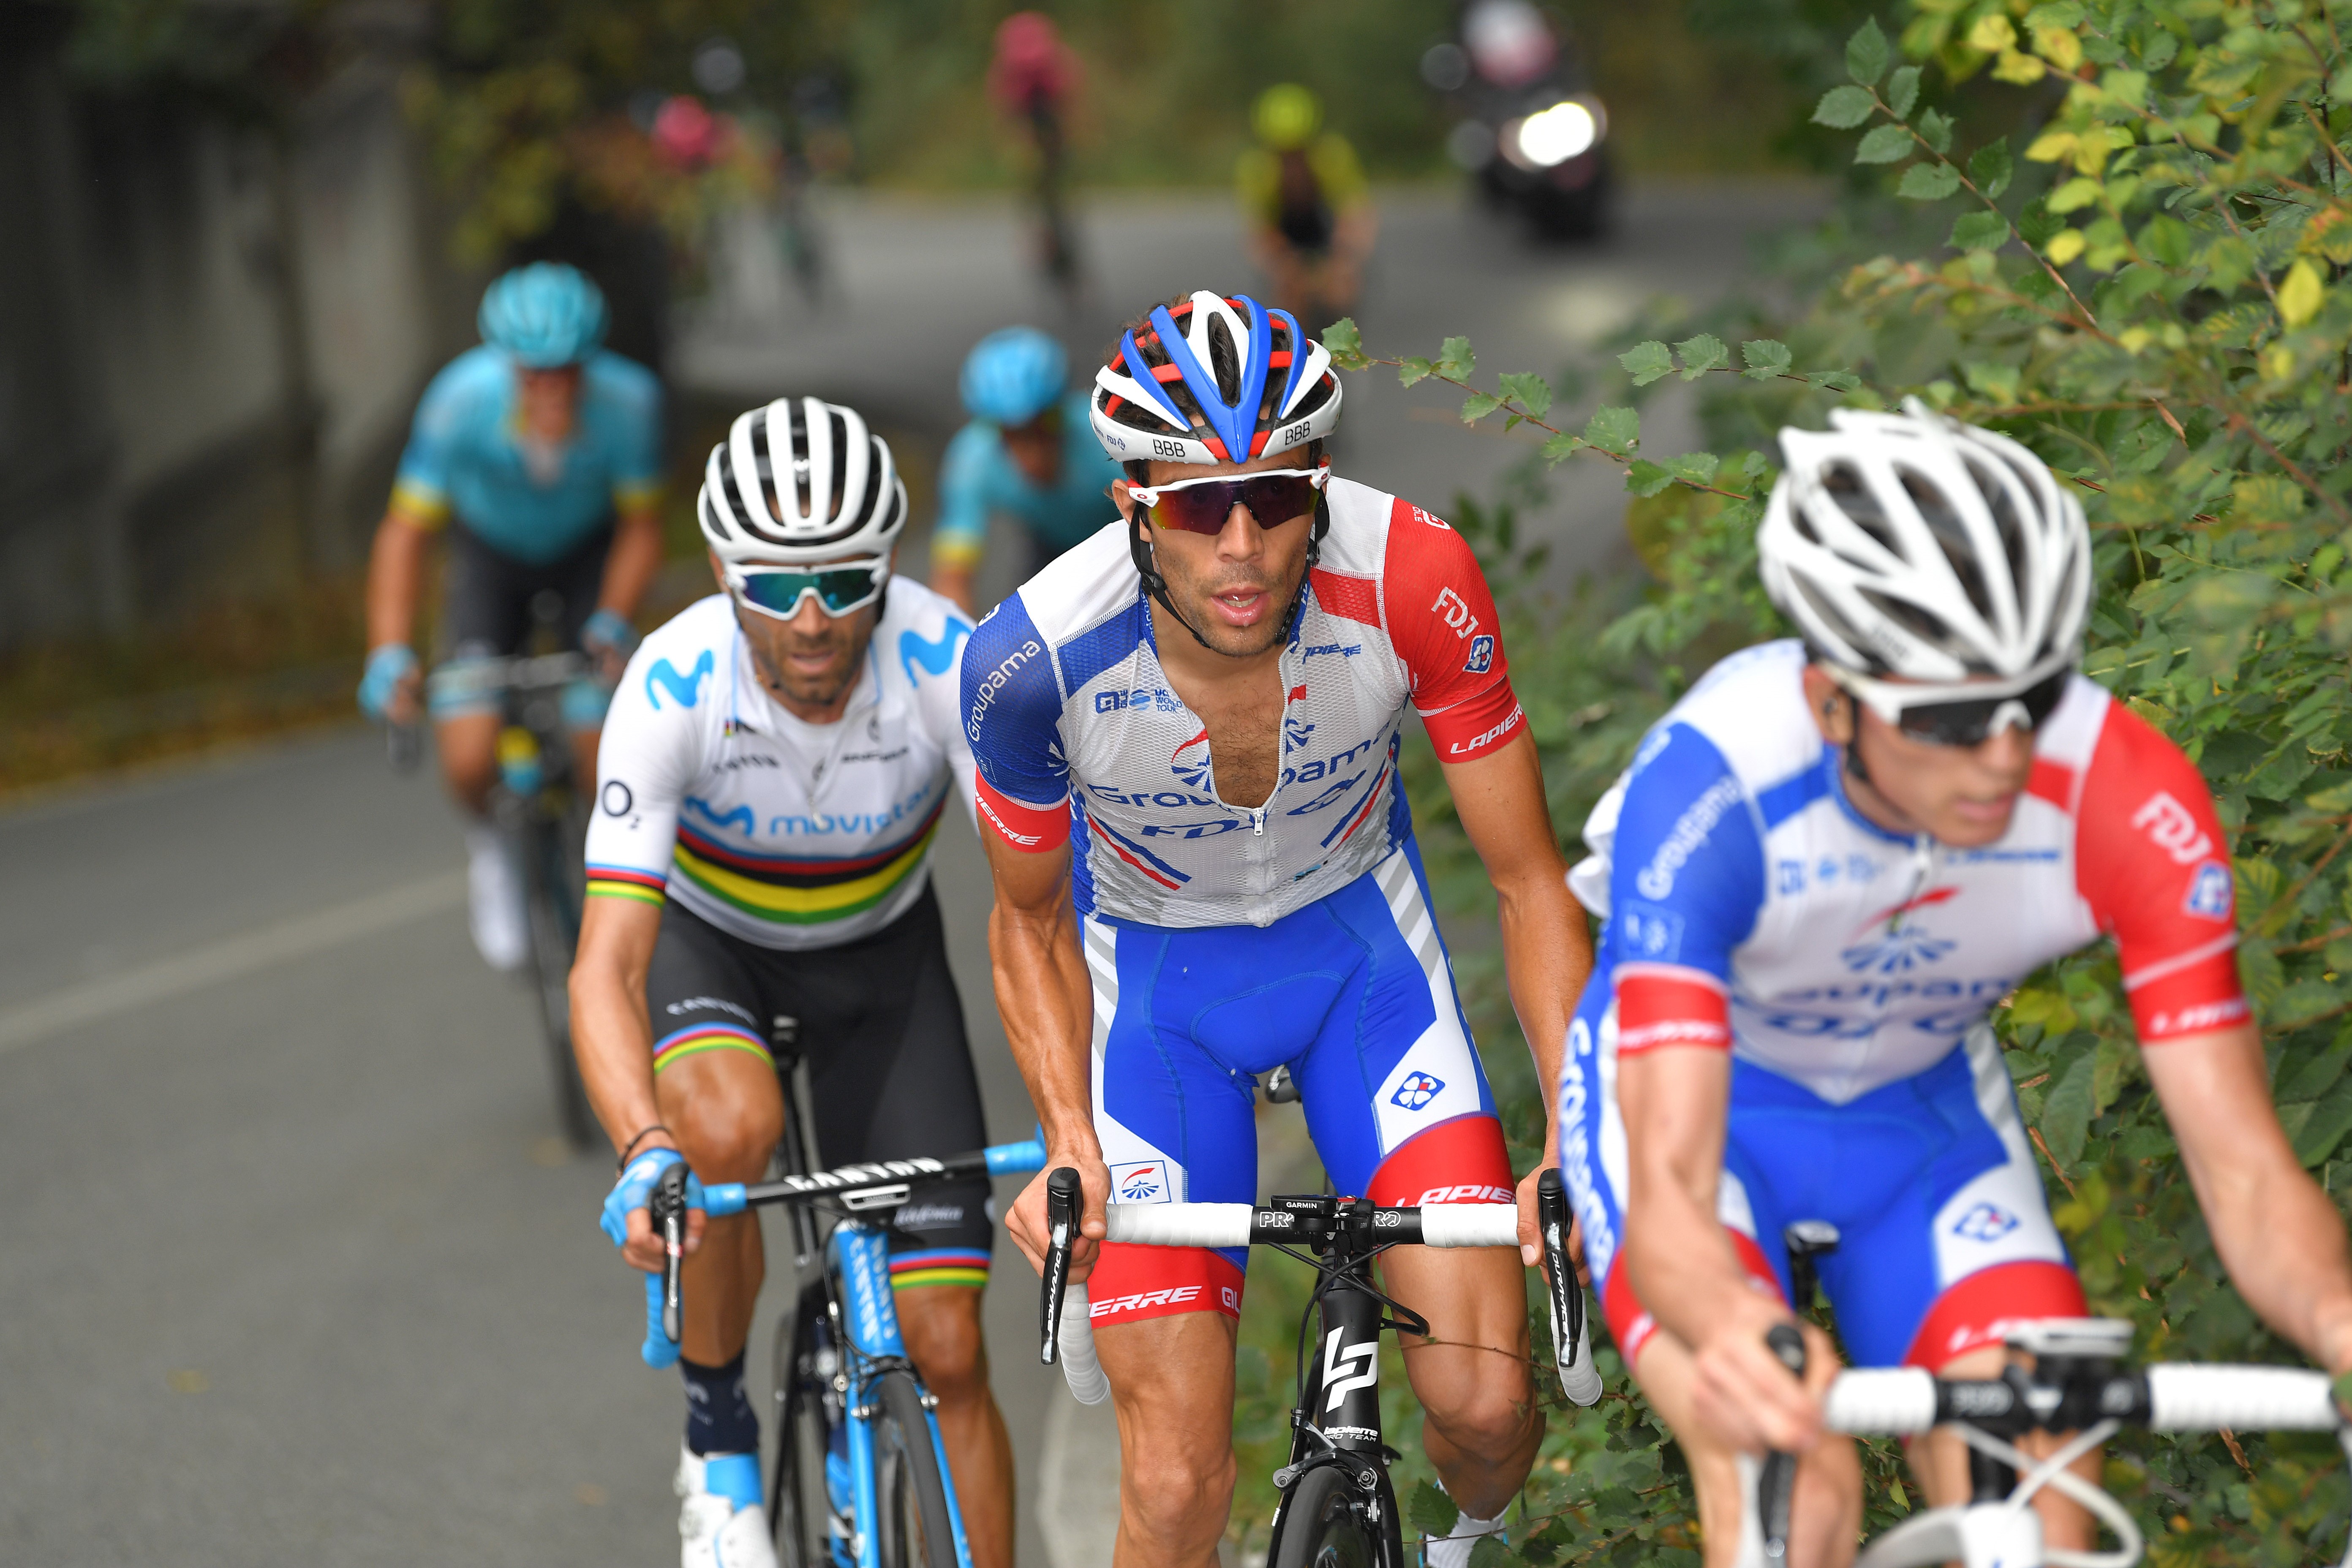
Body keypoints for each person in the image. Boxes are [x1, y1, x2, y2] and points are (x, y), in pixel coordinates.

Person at [1560, 401, 2352, 1565]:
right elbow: (1670, 1188)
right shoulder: (1715, 786)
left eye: (2034, 701)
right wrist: (1733, 1326)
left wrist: (2341, 1324)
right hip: (1705, 1126)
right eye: (1948, 717)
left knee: (2040, 1489)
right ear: (1833, 695)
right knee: (1793, 1484)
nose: (2005, 757)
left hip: (1921, 1135)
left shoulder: (2127, 795)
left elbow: (2242, 1169)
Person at [961, 290, 1592, 1568]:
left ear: (1319, 483)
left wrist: (1579, 1136)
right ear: (1131, 502)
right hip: (1156, 1003)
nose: (1241, 544)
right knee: (1181, 1480)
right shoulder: (1026, 660)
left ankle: (1463, 1544)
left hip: (1359, 970)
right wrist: (1068, 1138)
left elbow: (1528, 880)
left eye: (1276, 499)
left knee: (1483, 1408)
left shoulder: (1413, 576)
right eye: (1197, 504)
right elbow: (1024, 922)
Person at [570, 397, 1015, 1568]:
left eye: (843, 580)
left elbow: (1047, 910)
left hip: (885, 964)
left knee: (951, 1346)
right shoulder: (672, 686)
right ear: (721, 569)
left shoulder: (946, 662)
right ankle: (718, 1433)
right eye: (773, 586)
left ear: (891, 569)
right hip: (715, 949)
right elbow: (606, 964)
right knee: (726, 1125)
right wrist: (640, 1147)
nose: (811, 620)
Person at [357, 262, 664, 970]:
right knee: (468, 754)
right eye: (534, 373)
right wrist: (389, 651)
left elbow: (642, 527)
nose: (552, 388)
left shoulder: (631, 403)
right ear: (508, 365)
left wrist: (615, 619)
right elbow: (405, 533)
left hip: (588, 556)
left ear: (592, 362)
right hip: (490, 560)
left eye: (568, 371)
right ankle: (495, 848)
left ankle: (618, 873)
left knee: (602, 747)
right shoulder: (458, 402)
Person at [928, 326, 1124, 615]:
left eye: (1044, 426)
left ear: (1061, 409)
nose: (1031, 452)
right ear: (992, 430)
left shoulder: (1106, 439)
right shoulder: (972, 461)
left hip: (1126, 533)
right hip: (1051, 547)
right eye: (1012, 435)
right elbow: (952, 576)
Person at [1235, 85, 1376, 334]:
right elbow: (1260, 232)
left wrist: (1345, 257)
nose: (1293, 164)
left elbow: (1355, 213)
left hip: (1325, 229)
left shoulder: (1332, 157)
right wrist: (1283, 264)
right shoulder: (1257, 170)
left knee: (1341, 290)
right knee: (1291, 291)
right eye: (1283, 155)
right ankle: (1294, 346)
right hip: (1286, 233)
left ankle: (1345, 352)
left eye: (1299, 152)